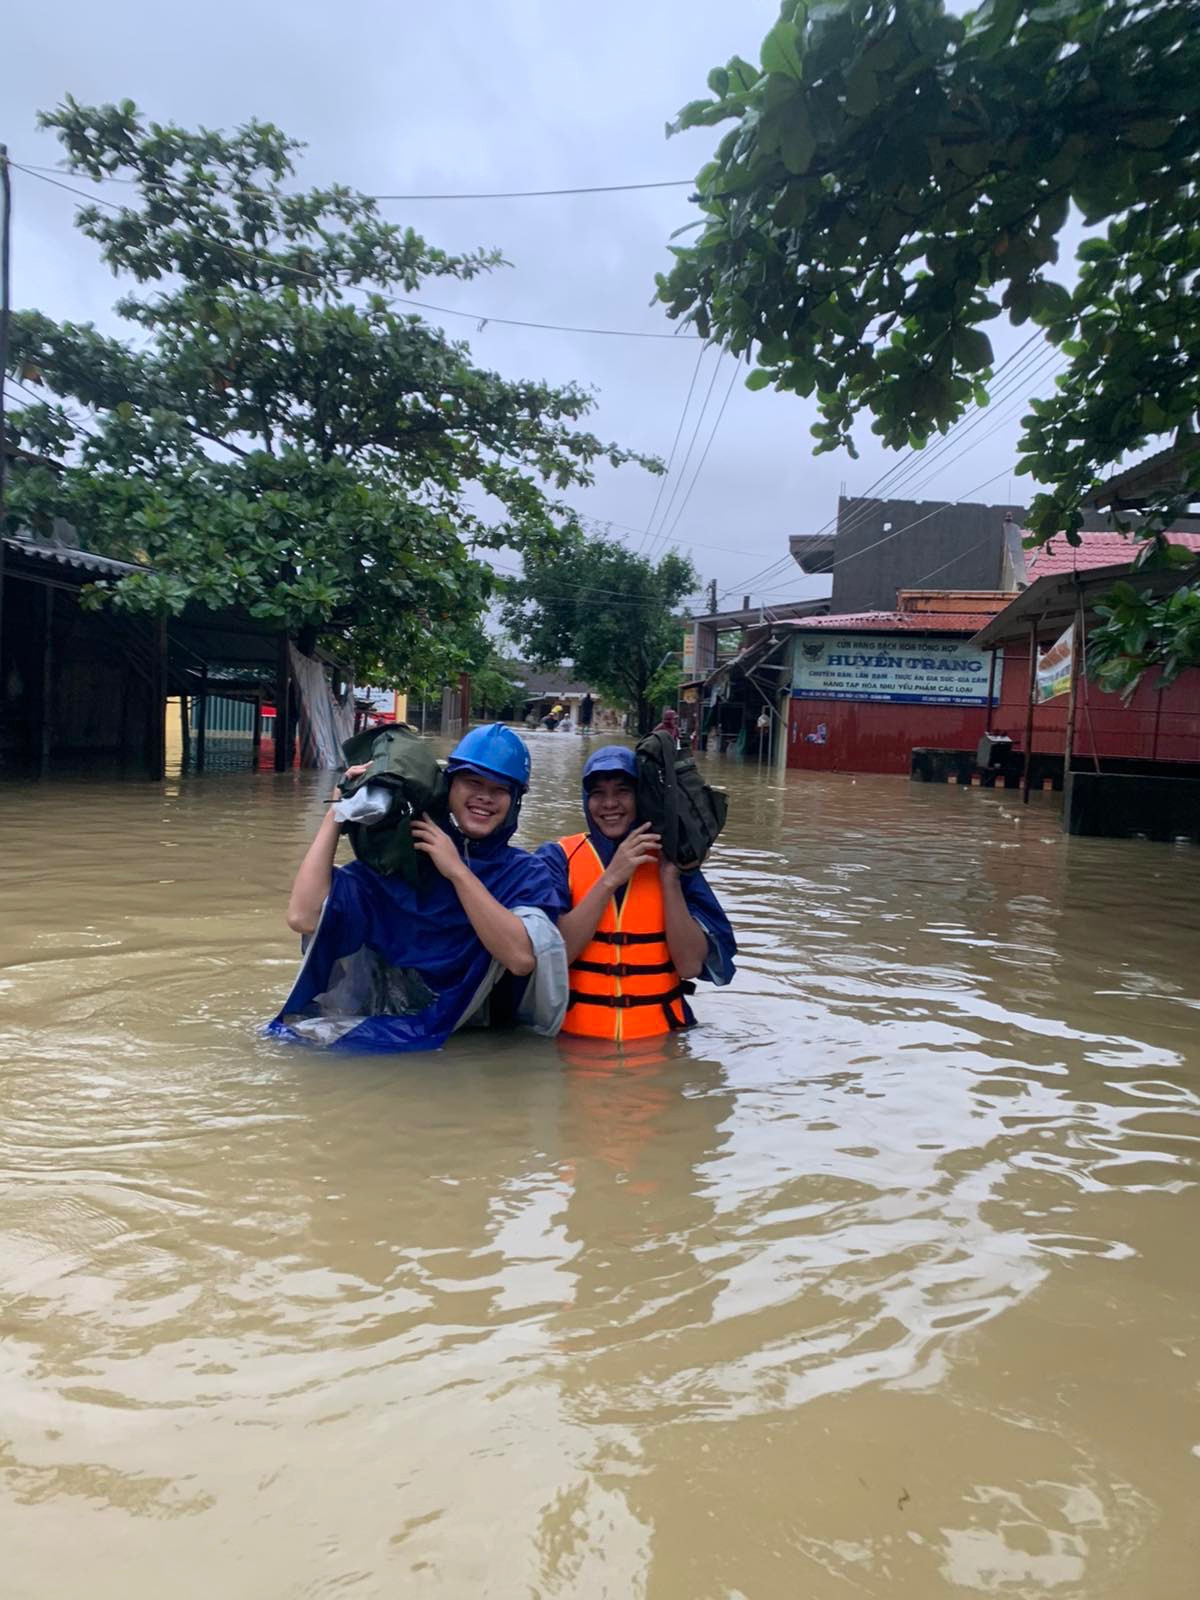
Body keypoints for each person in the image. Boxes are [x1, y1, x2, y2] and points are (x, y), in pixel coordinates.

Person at [270, 724, 568, 1051]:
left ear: (515, 801)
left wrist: (456, 871)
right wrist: (338, 810)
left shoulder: (526, 873)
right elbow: (303, 916)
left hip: (474, 1045)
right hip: (390, 1033)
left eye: (499, 789)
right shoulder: (402, 862)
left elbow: (522, 958)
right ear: (448, 785)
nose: (485, 796)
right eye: (473, 782)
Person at [537, 745, 735, 1041]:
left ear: (641, 797)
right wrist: (610, 879)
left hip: (660, 1048)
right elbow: (556, 955)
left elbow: (690, 966)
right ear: (585, 800)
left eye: (622, 791)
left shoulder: (674, 861)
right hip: (576, 1048)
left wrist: (669, 877)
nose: (610, 804)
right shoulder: (557, 858)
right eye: (598, 794)